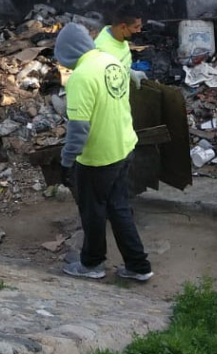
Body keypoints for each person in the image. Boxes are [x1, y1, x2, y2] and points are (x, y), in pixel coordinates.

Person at [55, 23, 153, 282]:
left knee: (93, 211)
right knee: (119, 207)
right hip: (124, 147)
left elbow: (78, 131)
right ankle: (138, 265)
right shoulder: (109, 61)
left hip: (98, 158)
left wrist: (66, 163)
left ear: (68, 52)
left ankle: (92, 264)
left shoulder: (81, 77)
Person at [94, 4, 147, 86]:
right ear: (123, 27)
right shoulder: (102, 51)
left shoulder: (120, 38)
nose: (139, 31)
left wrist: (130, 72)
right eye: (136, 27)